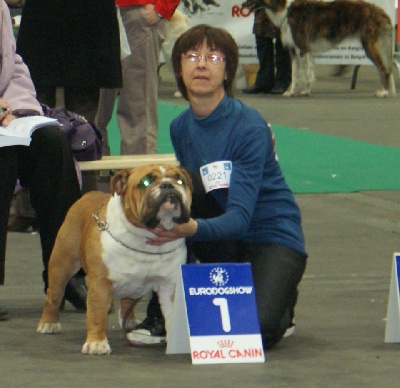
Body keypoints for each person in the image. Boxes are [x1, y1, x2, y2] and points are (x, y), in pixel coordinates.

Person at [126, 24, 308, 350]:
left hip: (270, 233)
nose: (201, 64)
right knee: (178, 192)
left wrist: (189, 229)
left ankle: (282, 299)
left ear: (227, 71)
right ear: (179, 68)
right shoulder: (180, 126)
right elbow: (198, 197)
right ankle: (159, 313)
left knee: (256, 329)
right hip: (224, 232)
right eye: (192, 56)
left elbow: (240, 216)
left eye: (213, 57)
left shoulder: (248, 126)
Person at [0, 0, 83, 321]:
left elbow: (15, 66)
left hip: (6, 116)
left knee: (52, 144)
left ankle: (64, 274)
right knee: (3, 158)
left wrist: (17, 109)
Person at [16, 0, 123, 192]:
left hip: (87, 24)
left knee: (84, 130)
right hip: (48, 23)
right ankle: (32, 203)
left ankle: (85, 203)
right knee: (33, 122)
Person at [95, 0, 180, 156]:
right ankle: (94, 172)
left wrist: (162, 7)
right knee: (92, 105)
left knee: (137, 104)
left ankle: (138, 173)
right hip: (95, 13)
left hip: (137, 14)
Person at [242, 9, 291, 95]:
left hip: (281, 6)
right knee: (262, 37)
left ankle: (282, 81)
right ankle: (264, 81)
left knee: (283, 40)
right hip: (262, 7)